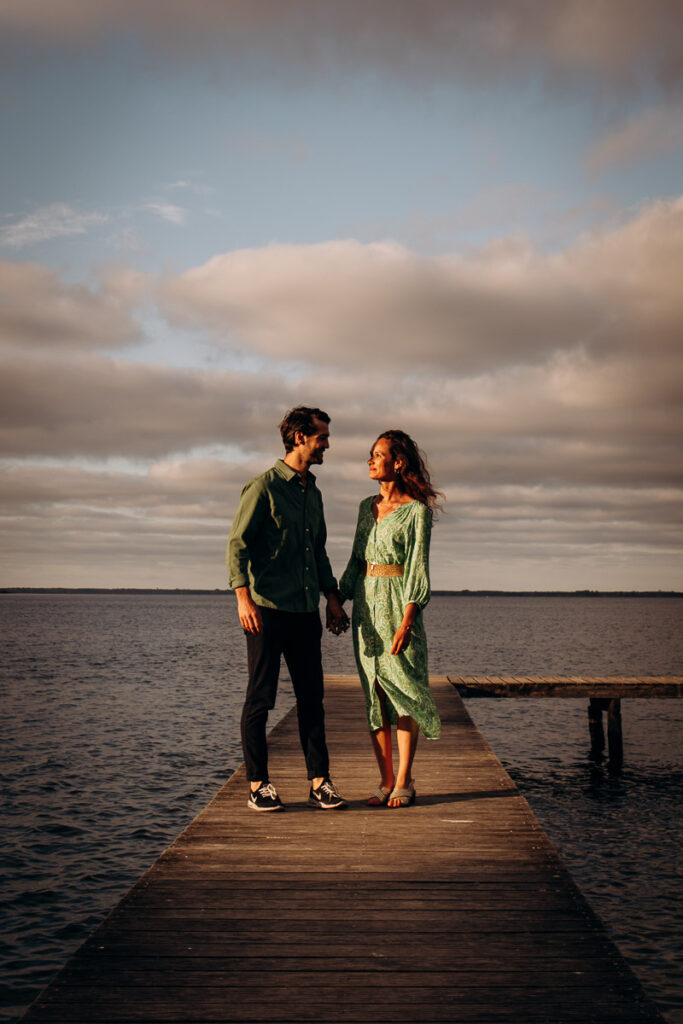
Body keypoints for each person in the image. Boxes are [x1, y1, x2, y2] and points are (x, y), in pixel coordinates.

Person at [227, 406, 349, 812]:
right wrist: (242, 598)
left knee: (312, 698)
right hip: (264, 610)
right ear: (300, 437)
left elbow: (318, 552)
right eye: (322, 438)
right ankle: (258, 784)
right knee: (260, 699)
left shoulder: (313, 493)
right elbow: (237, 547)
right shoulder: (262, 488)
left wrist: (331, 598)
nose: (327, 445)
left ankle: (319, 781)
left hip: (303, 611)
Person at [339, 430, 441, 808]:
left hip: (399, 609)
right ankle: (384, 780)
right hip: (367, 608)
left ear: (397, 462)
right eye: (370, 454)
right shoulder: (366, 507)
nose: (370, 460)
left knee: (405, 696)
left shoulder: (417, 512)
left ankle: (404, 780)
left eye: (377, 455)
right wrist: (338, 600)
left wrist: (408, 621)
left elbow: (418, 569)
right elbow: (355, 560)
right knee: (375, 696)